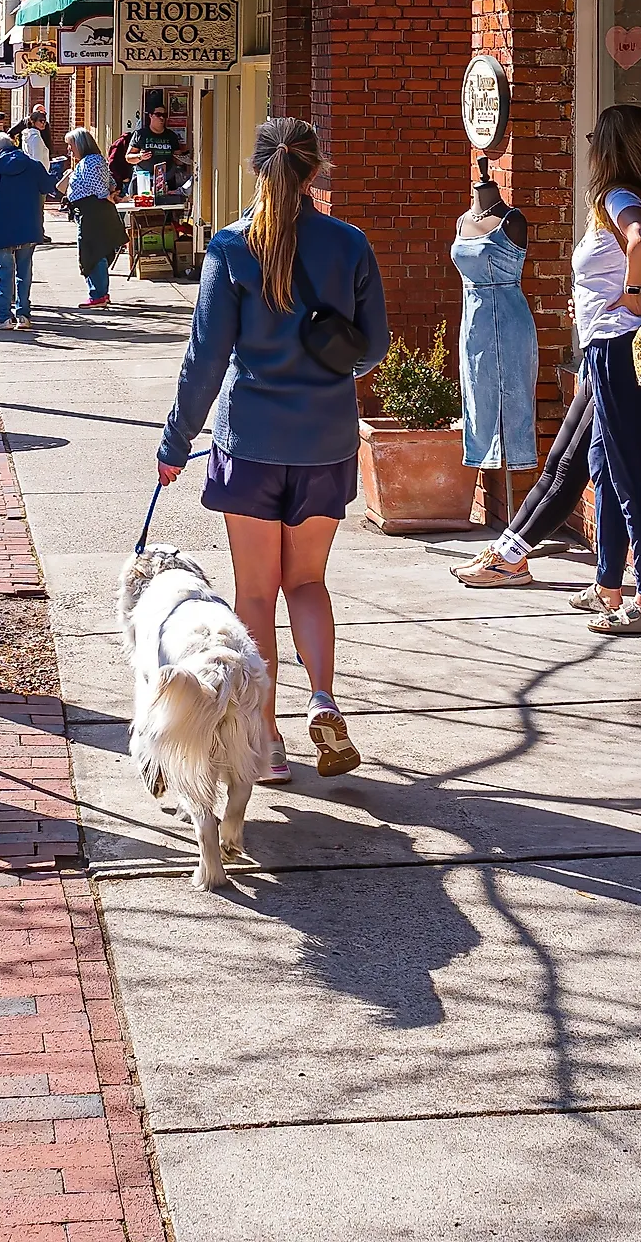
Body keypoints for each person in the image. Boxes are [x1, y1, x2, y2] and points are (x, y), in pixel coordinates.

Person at [156, 118, 389, 782]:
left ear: (257, 170)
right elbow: (373, 346)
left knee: (255, 595)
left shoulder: (232, 246)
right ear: (315, 172)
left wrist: (177, 441)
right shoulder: (350, 245)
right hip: (325, 441)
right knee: (308, 581)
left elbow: (206, 358)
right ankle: (324, 697)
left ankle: (267, 740)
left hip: (250, 441)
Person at [573, 105, 641, 634]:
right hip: (614, 344)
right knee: (606, 465)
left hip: (620, 347)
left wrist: (630, 295)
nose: (589, 143)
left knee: (632, 473)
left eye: (595, 135)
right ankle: (608, 582)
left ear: (609, 145)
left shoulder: (618, 197)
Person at [453, 370, 594, 587]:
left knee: (569, 471)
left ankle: (510, 558)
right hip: (597, 360)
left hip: (617, 360)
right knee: (553, 466)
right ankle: (503, 549)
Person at [0, 130, 48, 330]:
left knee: (4, 272)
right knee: (24, 271)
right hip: (29, 226)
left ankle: (3, 317)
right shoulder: (33, 165)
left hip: (2, 227)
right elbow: (48, 186)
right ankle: (24, 315)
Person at [63, 126, 122, 308]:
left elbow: (101, 190)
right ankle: (100, 293)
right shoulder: (96, 160)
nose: (69, 150)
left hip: (92, 213)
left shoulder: (90, 162)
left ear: (80, 144)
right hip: (93, 212)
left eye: (71, 145)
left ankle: (98, 295)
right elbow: (111, 183)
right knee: (97, 252)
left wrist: (110, 196)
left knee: (93, 254)